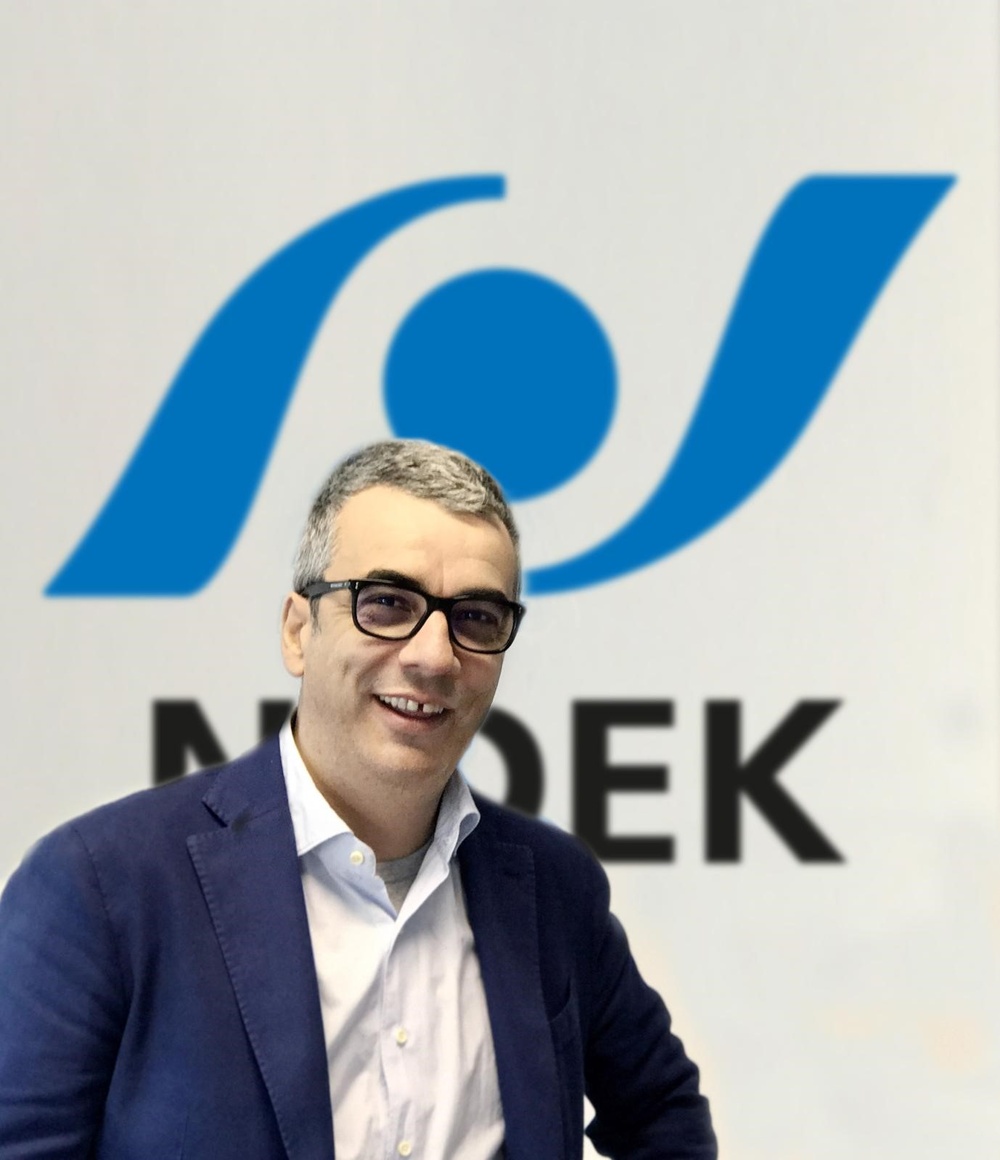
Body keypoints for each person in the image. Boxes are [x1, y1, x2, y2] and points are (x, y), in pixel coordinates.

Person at [0, 440, 717, 1159]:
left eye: (476, 617)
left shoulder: (553, 888)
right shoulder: (99, 886)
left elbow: (664, 1117)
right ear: (298, 631)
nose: (434, 656)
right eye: (387, 603)